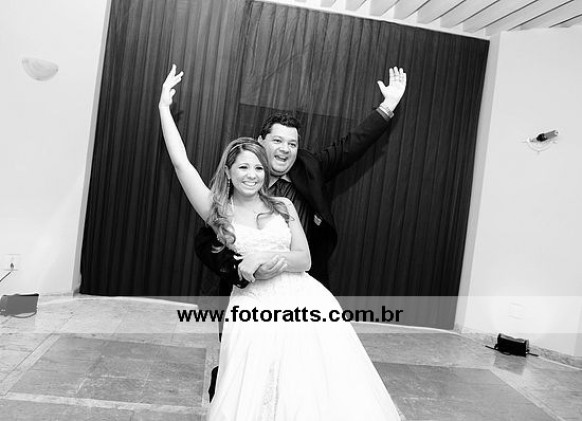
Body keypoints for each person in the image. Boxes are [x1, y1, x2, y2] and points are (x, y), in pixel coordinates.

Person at [159, 65, 402, 420]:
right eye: (244, 167)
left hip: (302, 296)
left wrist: (387, 107)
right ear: (233, 169)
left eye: (258, 169)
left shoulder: (285, 202)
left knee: (309, 384)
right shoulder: (219, 209)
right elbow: (182, 166)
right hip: (249, 300)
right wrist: (164, 109)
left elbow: (350, 149)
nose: (253, 174)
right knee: (246, 379)